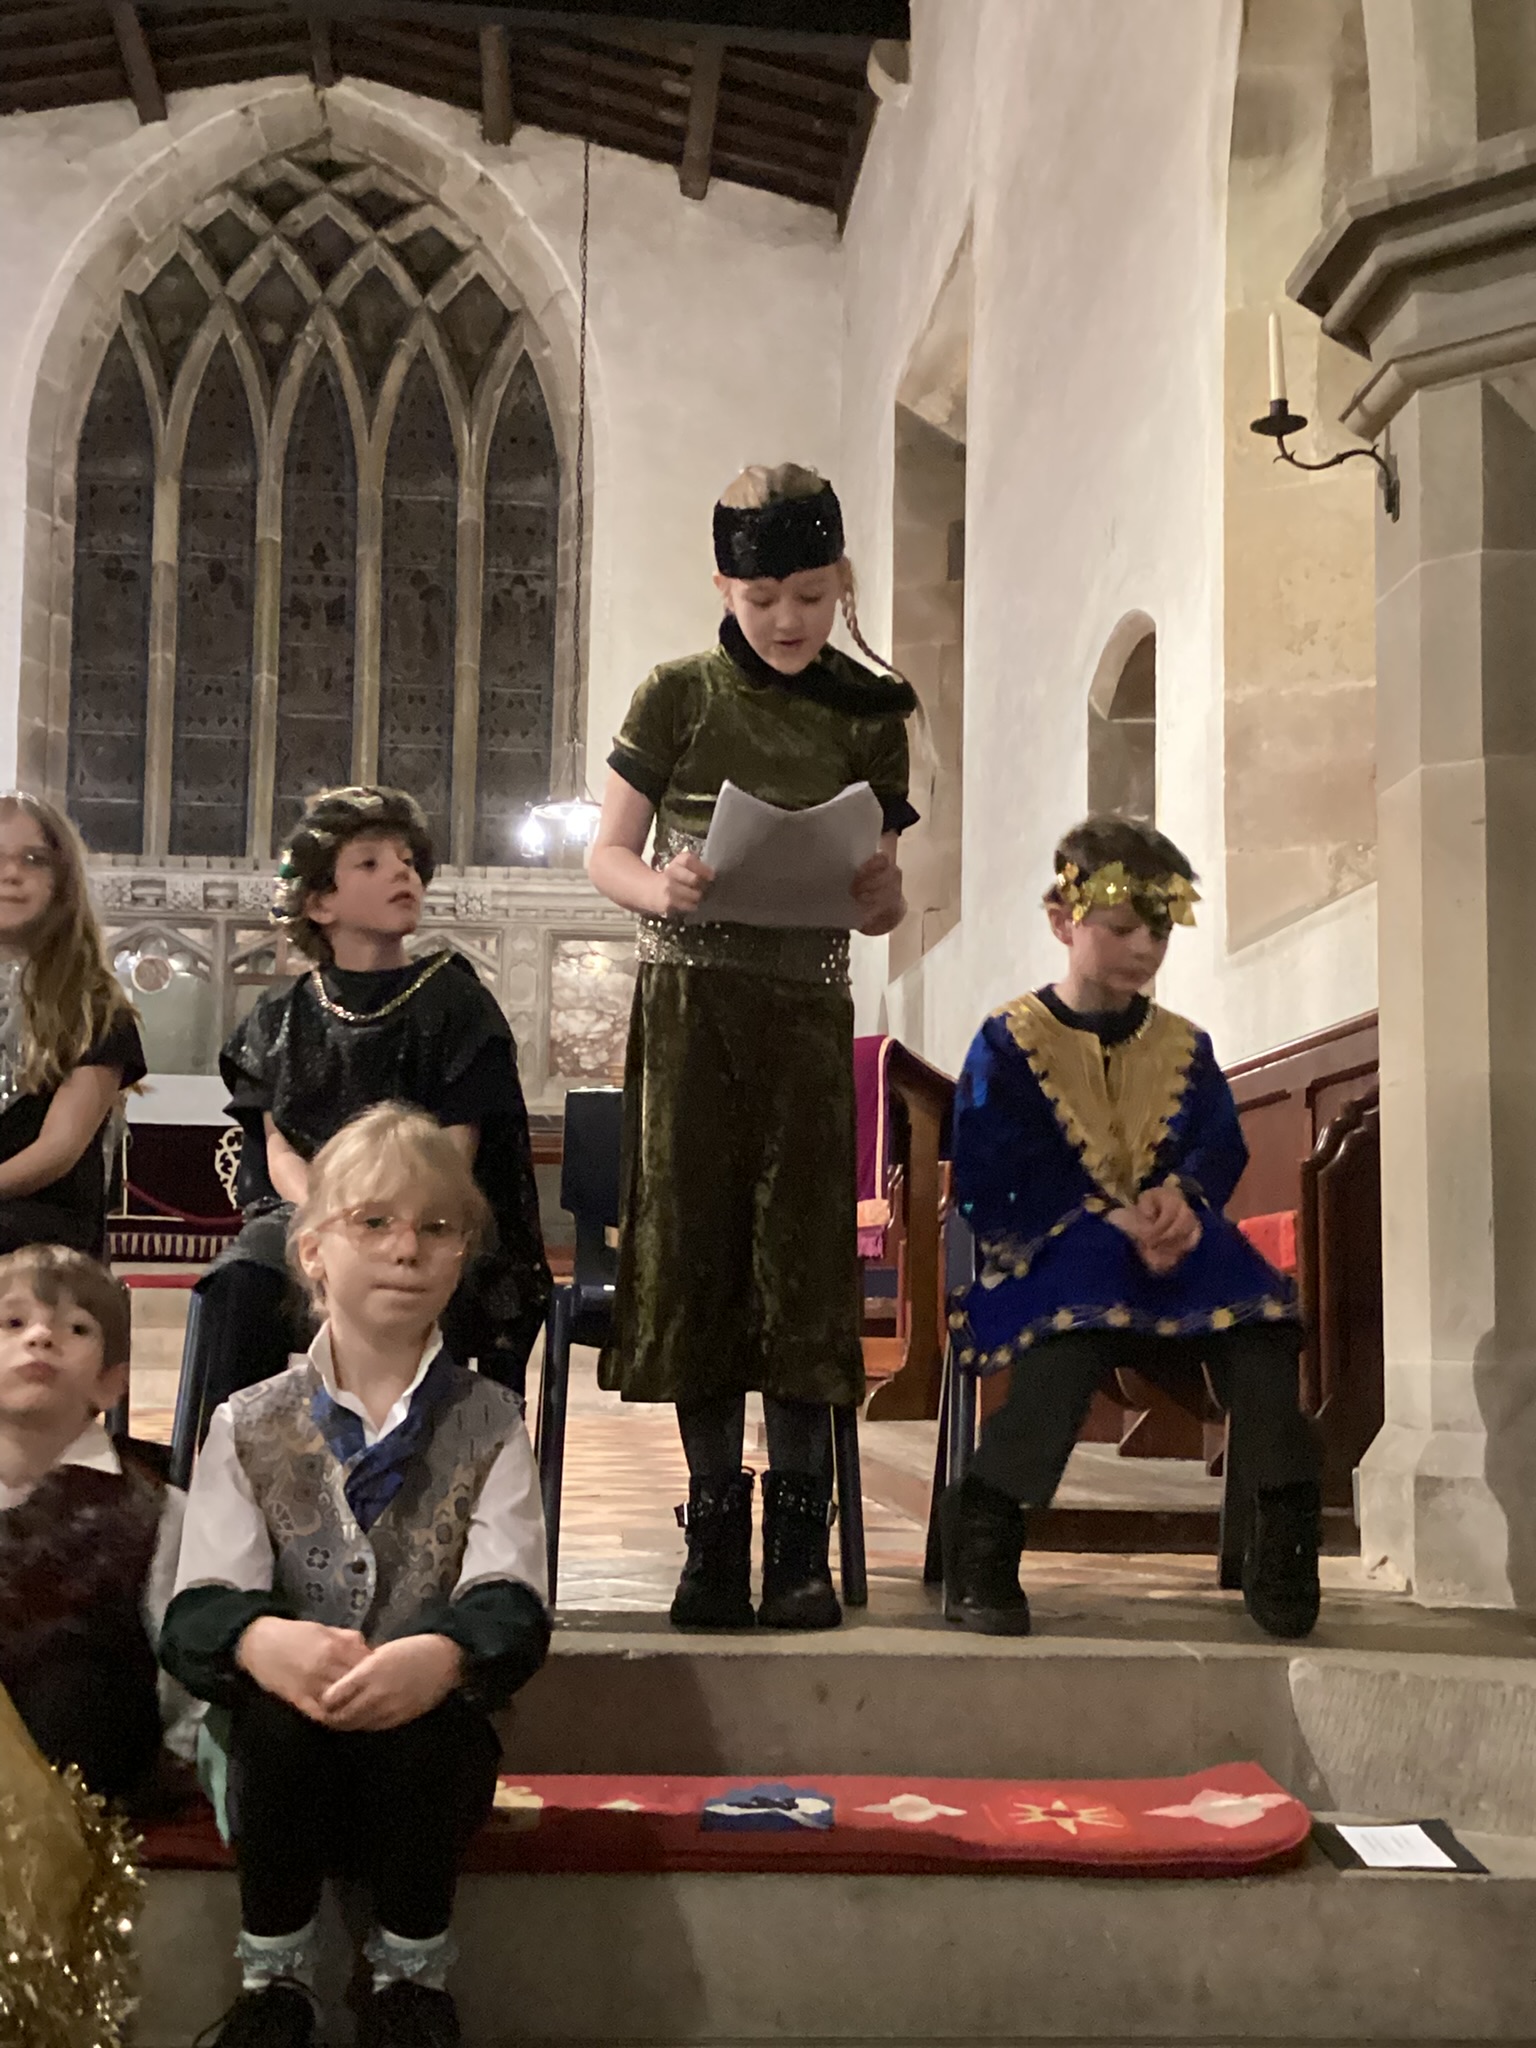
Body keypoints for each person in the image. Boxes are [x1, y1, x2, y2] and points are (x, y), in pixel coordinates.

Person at [588, 463, 916, 1633]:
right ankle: (715, 1538)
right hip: (692, 1009)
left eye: (812, 597)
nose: (788, 620)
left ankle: (801, 1548)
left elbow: (882, 899)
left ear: (841, 585)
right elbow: (606, 855)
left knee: (805, 1268)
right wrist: (663, 889)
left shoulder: (872, 710)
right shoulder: (677, 693)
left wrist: (882, 894)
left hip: (806, 1010)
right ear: (724, 585)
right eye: (764, 596)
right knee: (703, 1261)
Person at [161, 1104, 551, 2048]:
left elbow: (512, 1596)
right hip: (280, 1754)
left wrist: (444, 1655)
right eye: (374, 1222)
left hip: (426, 1754)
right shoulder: (248, 1422)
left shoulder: (491, 1421)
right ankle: (276, 1981)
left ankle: (411, 1979)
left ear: (461, 1256)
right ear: (313, 1252)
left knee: (430, 1733)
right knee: (274, 1726)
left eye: (436, 1227)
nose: (406, 1249)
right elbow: (198, 1604)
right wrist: (263, 1641)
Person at [940, 816, 1322, 1641]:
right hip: (1054, 1246)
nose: (1144, 947)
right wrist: (1102, 1214)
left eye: (1159, 931)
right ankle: (987, 1533)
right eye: (1120, 928)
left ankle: (1285, 1530)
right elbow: (989, 1161)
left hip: (1176, 1253)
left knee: (1264, 1329)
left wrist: (1183, 1197)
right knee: (1067, 1341)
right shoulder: (1010, 1042)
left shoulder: (1186, 1046)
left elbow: (1217, 1141)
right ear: (1063, 921)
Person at [187, 786, 549, 1425]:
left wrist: (386, 1223)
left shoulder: (456, 1003)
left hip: (429, 1220)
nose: (402, 873)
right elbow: (279, 1150)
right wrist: (334, 1220)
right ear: (319, 902)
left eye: (408, 861)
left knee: (422, 1276)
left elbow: (456, 1151)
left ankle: (424, 1461)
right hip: (310, 1220)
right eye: (371, 863)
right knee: (241, 1284)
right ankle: (233, 1462)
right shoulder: (279, 1015)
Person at [0, 1245, 184, 1806]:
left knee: (69, 1685)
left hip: (88, 1797)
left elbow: (184, 1687)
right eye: (13, 1322)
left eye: (76, 1328)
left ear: (110, 1382)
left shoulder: (157, 1510)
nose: (41, 1337)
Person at [0, 793, 145, 1259]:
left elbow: (58, 1150)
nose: (11, 873)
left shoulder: (94, 1006)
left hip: (42, 1229)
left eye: (33, 859)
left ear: (61, 880)